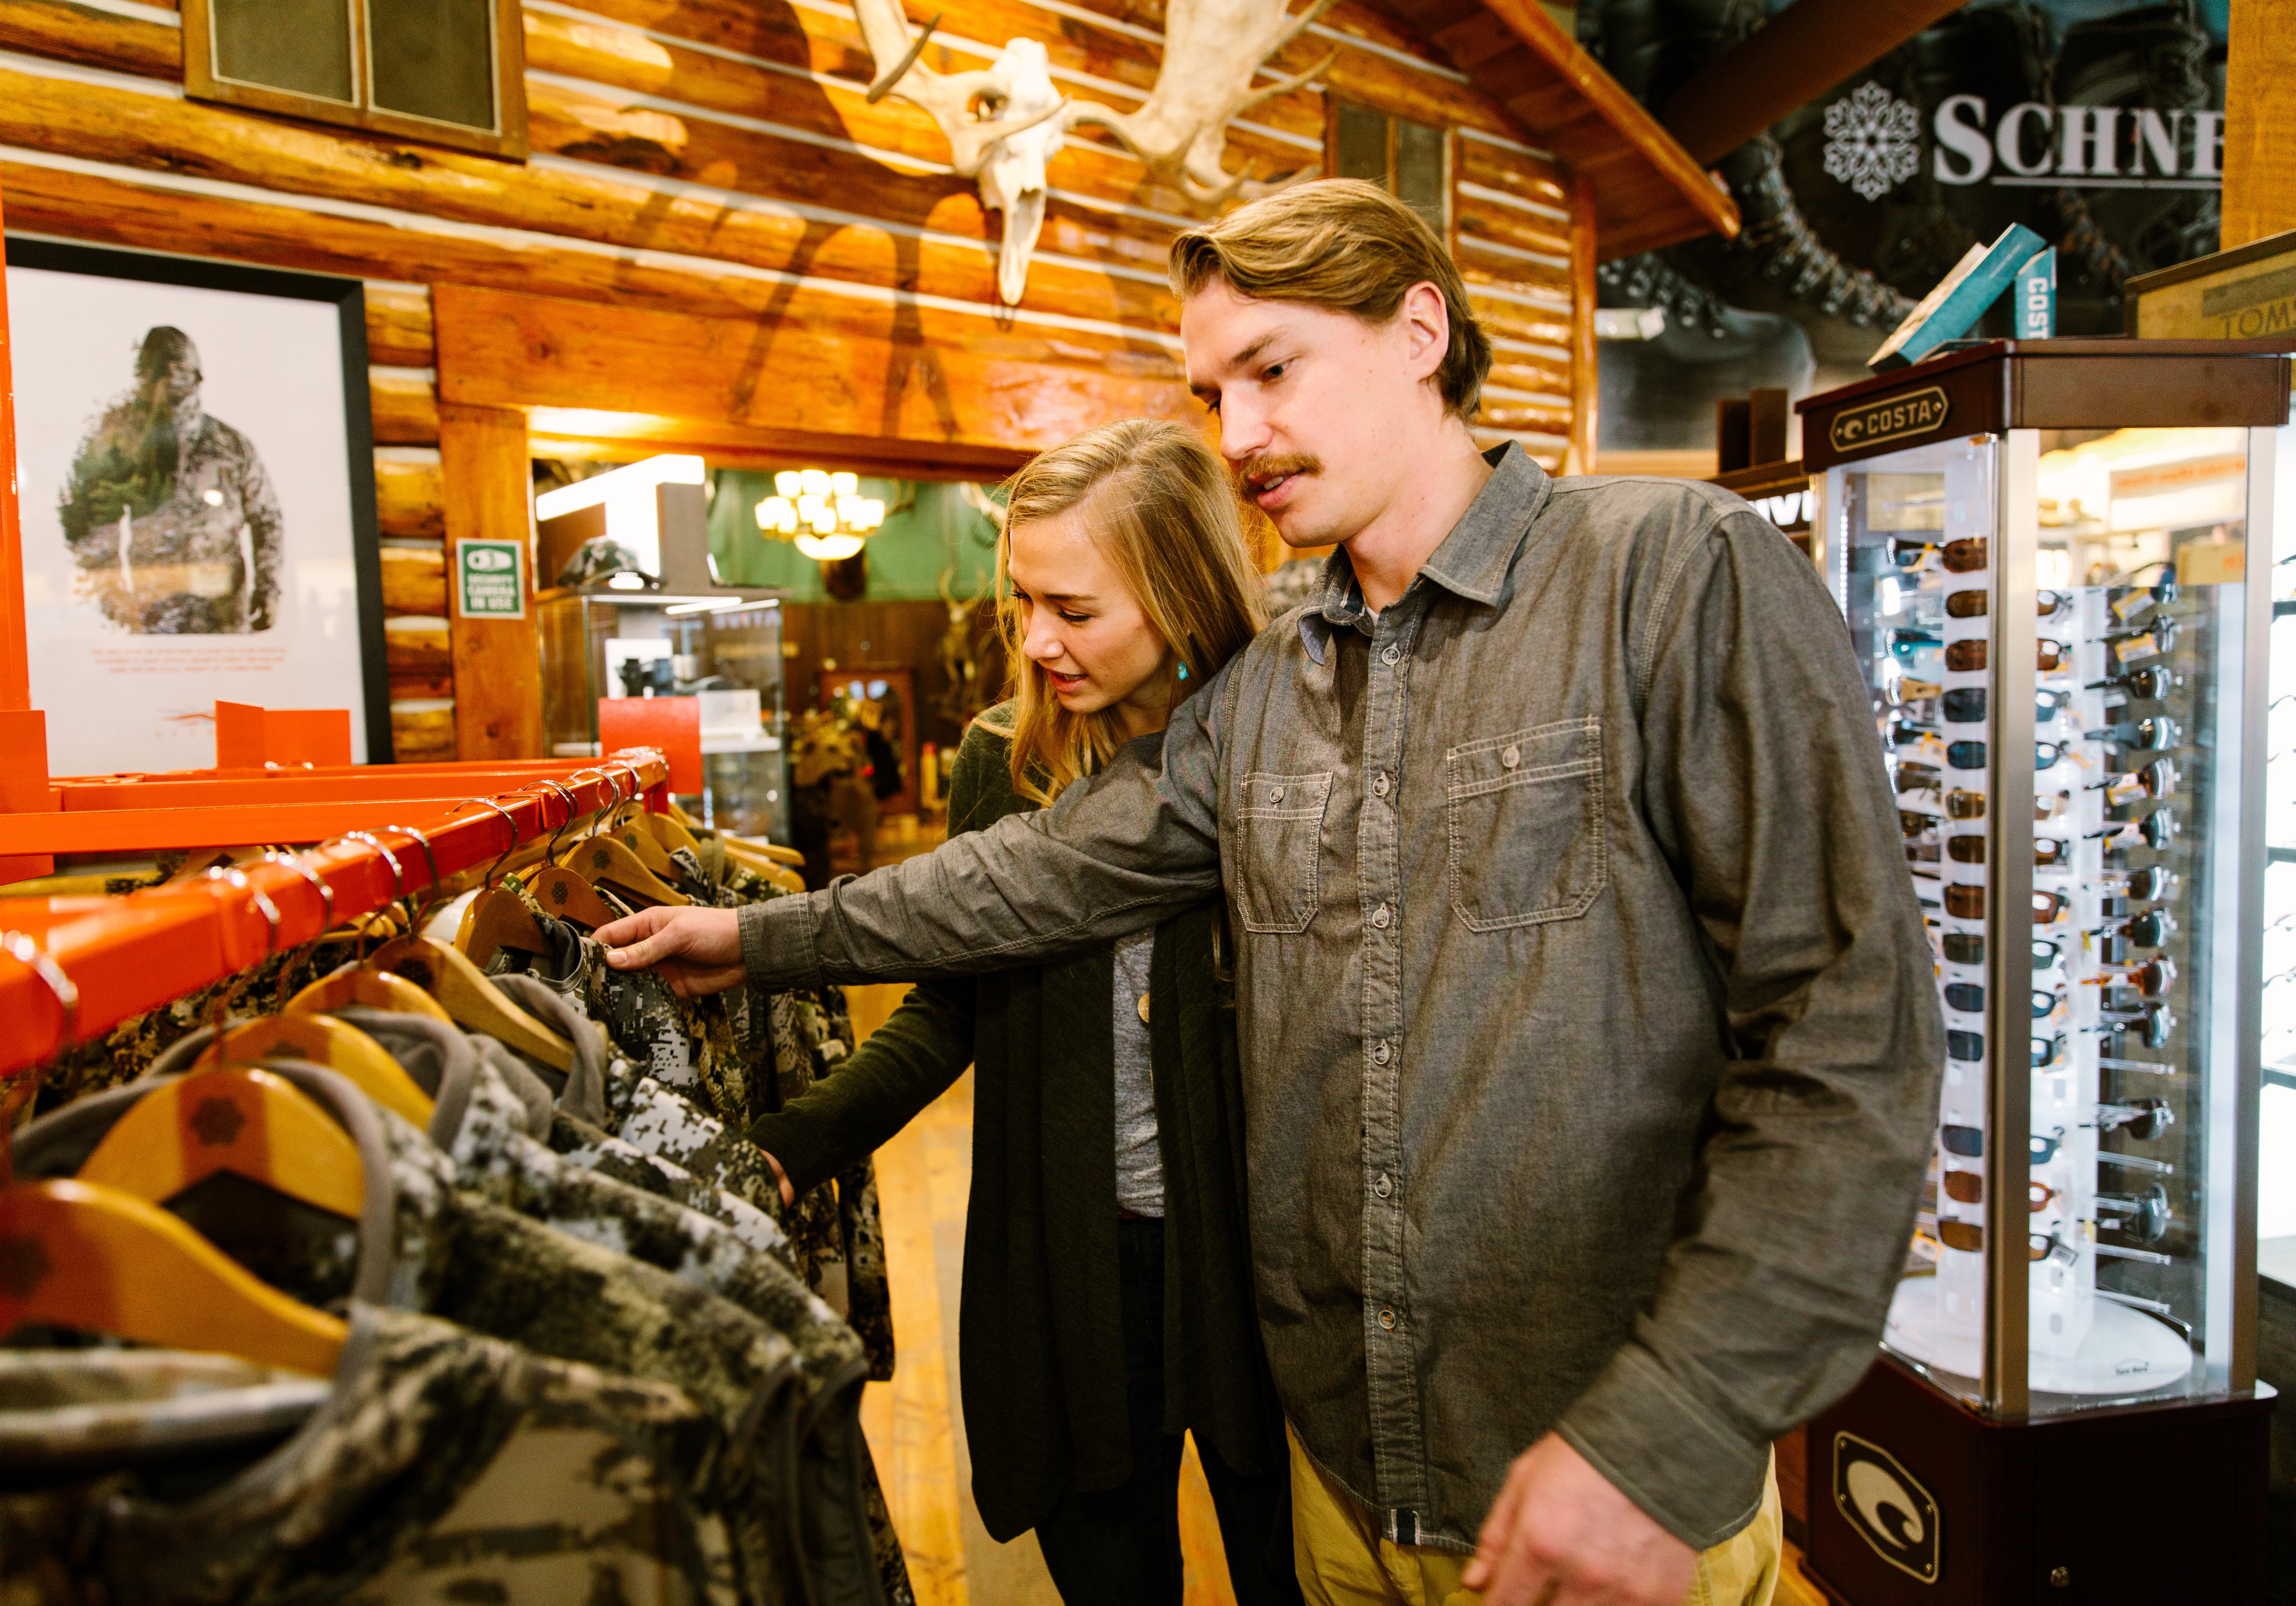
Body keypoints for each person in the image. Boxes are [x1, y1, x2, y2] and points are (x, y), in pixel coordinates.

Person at [597, 180, 1940, 1606]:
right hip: (1340, 1479)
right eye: (1210, 392)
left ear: (1420, 331)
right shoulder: (1270, 682)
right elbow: (1041, 874)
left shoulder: (1670, 575)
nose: (1236, 437)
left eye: (1274, 370)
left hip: (1592, 1487)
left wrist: (1678, 1426)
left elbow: (1846, 1040)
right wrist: (755, 935)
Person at [745, 420, 1296, 1606]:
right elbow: (950, 1005)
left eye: (1075, 609)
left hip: (1252, 1259)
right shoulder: (1006, 758)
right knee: (1105, 1556)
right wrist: (800, 1143)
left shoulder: (1278, 750)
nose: (1036, 639)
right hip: (1072, 1254)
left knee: (1283, 1551)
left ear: (1180, 596)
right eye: (1023, 601)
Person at [58, 326, 282, 634]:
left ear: (198, 376)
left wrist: (269, 589)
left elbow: (267, 518)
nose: (173, 379)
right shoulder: (125, 446)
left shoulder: (232, 446)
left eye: (181, 369)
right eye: (163, 370)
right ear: (146, 376)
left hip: (224, 618)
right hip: (153, 618)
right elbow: (97, 523)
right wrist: (113, 598)